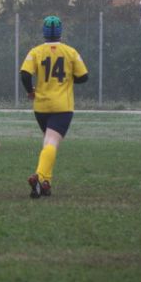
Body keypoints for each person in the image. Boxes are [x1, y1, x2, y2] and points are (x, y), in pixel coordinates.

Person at [20, 15, 88, 198]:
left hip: (41, 106)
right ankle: (39, 176)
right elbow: (84, 77)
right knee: (52, 142)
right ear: (60, 32)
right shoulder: (70, 52)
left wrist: (30, 91)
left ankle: (45, 183)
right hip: (62, 106)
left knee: (48, 142)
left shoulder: (35, 51)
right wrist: (68, 78)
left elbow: (25, 75)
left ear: (43, 32)